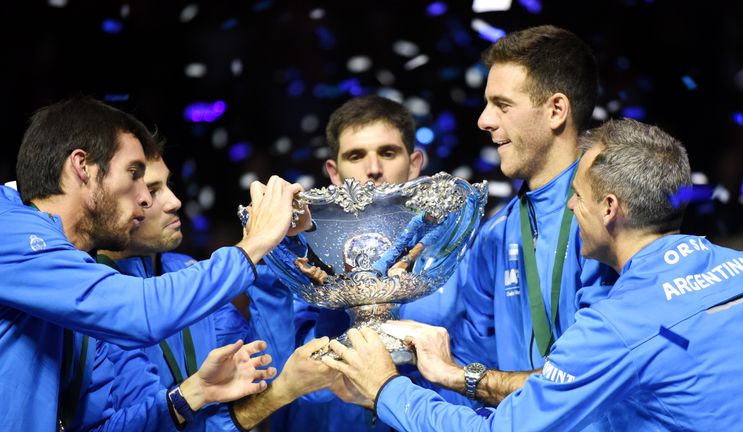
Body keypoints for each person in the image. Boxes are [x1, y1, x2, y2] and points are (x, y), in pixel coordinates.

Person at [323, 118, 743, 431]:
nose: (570, 208)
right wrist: (455, 376)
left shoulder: (615, 326)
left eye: (577, 196)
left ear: (609, 209)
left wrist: (386, 389)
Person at [0, 97, 307, 430]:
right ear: (82, 166)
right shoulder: (8, 229)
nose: (146, 199)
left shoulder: (84, 280)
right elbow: (141, 311)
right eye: (134, 175)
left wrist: (194, 393)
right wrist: (256, 242)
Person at [362, 25, 614, 408]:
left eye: (503, 104)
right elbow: (471, 365)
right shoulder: (495, 232)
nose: (484, 120)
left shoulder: (610, 218)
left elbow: (598, 376)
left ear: (556, 110)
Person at [277, 95, 471, 432]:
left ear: (414, 164)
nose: (374, 169)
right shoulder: (310, 267)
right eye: (356, 155)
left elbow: (475, 372)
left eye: (387, 152)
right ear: (334, 173)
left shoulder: (454, 260)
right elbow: (299, 390)